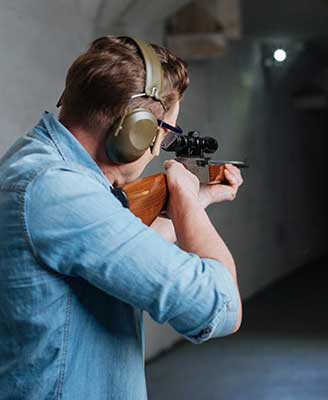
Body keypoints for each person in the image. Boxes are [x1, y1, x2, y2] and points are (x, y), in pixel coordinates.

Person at [0, 36, 243, 400]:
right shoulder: (59, 191)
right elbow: (219, 306)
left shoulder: (42, 166)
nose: (159, 147)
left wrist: (197, 201)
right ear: (136, 131)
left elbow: (123, 256)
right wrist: (187, 204)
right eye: (166, 132)